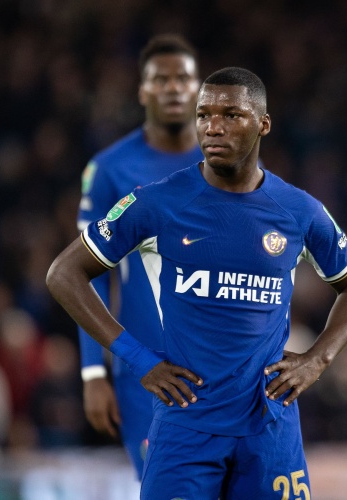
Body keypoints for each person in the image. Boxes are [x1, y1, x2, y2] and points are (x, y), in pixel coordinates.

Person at [48, 67, 347, 498]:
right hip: (185, 426)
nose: (213, 127)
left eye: (231, 115)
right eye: (204, 115)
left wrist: (318, 359)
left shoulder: (299, 211)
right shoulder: (156, 203)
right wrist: (138, 358)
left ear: (263, 124)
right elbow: (64, 274)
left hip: (269, 428)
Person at [75, 34, 202, 479]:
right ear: (143, 91)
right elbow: (85, 275)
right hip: (148, 374)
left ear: (199, 89)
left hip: (223, 368)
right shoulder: (110, 169)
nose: (173, 88)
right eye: (160, 79)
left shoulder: (229, 162)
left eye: (183, 78)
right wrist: (93, 372)